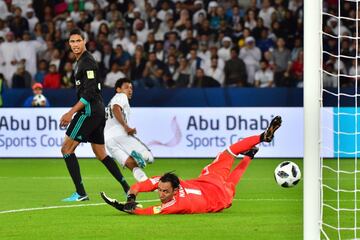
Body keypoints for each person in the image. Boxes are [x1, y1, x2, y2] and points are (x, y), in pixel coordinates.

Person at [100, 116, 282, 215]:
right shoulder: (168, 182)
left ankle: (260, 140)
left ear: (174, 189)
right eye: (160, 190)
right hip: (213, 186)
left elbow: (150, 211)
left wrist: (126, 208)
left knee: (230, 174)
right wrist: (131, 197)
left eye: (164, 191)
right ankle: (257, 143)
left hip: (217, 195)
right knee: (229, 157)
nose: (161, 194)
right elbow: (140, 185)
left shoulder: (176, 204)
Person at [59, 28, 130, 202]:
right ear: (69, 44)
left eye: (78, 41)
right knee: (100, 152)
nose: (75, 44)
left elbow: (89, 93)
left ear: (84, 41)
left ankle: (81, 193)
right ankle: (128, 188)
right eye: (72, 41)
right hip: (97, 111)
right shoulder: (81, 61)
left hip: (89, 111)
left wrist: (70, 112)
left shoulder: (87, 62)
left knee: (66, 149)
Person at [105, 78, 154, 182]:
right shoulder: (121, 96)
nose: (130, 90)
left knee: (131, 164)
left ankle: (144, 181)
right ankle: (140, 156)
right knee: (149, 157)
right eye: (126, 87)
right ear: (118, 89)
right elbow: (116, 108)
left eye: (131, 88)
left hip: (108, 140)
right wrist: (126, 126)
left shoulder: (109, 104)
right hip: (120, 133)